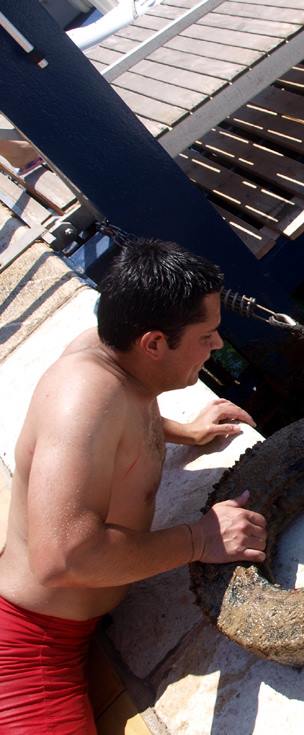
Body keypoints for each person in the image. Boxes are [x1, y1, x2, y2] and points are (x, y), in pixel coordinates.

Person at [0, 238, 268, 734]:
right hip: (27, 652)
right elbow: (63, 558)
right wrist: (199, 539)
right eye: (206, 335)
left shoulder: (112, 353)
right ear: (154, 343)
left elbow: (124, 415)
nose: (218, 346)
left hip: (49, 630)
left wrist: (185, 431)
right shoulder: (81, 399)